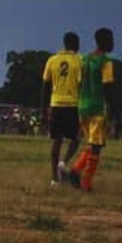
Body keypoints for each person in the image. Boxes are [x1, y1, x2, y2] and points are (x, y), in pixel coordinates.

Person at [67, 28, 119, 193]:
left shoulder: (85, 59)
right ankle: (84, 180)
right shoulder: (105, 62)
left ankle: (76, 171)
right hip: (97, 107)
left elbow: (79, 81)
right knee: (96, 146)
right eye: (111, 40)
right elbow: (108, 87)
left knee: (91, 142)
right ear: (105, 42)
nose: (113, 44)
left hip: (83, 106)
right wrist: (114, 109)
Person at [42, 32, 82, 186]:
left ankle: (54, 178)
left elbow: (45, 84)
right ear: (75, 44)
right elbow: (81, 83)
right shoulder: (78, 61)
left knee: (56, 141)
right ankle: (63, 162)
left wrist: (44, 107)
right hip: (72, 103)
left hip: (56, 103)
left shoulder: (52, 60)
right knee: (75, 138)